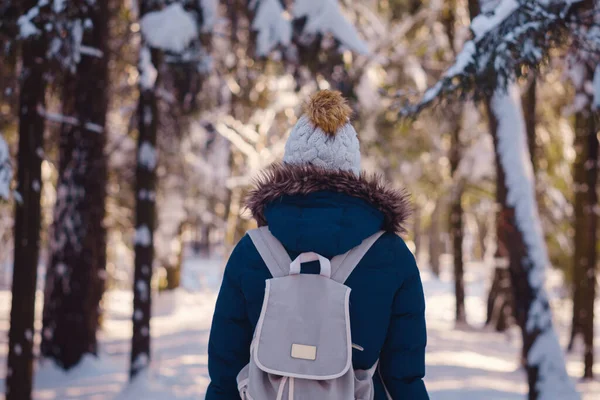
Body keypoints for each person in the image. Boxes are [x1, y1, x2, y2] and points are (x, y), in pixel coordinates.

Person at [206, 90, 429, 399]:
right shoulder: (392, 256)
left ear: (288, 166)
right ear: (353, 170)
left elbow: (225, 370)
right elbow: (403, 376)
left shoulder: (251, 251)